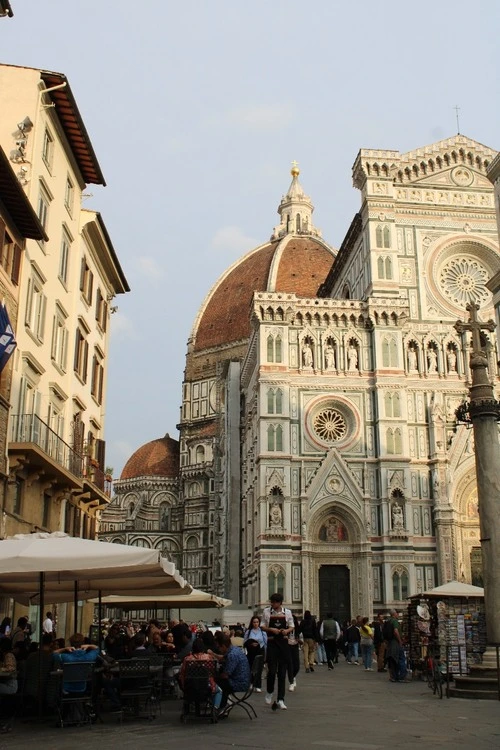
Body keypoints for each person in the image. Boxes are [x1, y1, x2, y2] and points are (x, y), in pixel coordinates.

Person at [261, 593, 294, 710]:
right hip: (272, 643)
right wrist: (271, 629)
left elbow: (291, 626)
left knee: (281, 673)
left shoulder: (287, 612)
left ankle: (281, 699)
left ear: (280, 603)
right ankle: (269, 691)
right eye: (272, 602)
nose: (272, 604)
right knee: (271, 671)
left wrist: (286, 631)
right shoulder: (266, 612)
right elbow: (262, 626)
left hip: (283, 644)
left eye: (274, 602)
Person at [212, 633, 250, 716]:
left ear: (224, 646)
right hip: (243, 680)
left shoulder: (232, 655)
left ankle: (222, 706)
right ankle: (224, 703)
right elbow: (223, 657)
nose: (218, 649)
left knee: (217, 682)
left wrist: (214, 677)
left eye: (219, 647)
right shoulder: (234, 649)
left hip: (239, 683)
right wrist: (213, 654)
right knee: (219, 680)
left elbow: (226, 675)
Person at [243, 615, 267, 692]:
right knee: (251, 668)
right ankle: (251, 682)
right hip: (251, 652)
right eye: (254, 622)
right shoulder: (248, 631)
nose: (256, 624)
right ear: (252, 623)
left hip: (260, 651)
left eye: (257, 622)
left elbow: (265, 643)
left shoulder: (262, 631)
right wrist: (251, 644)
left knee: (259, 669)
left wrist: (266, 655)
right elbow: (245, 642)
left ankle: (258, 685)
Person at [384, 610, 405, 682]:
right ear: (394, 614)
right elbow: (396, 631)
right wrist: (400, 641)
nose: (398, 614)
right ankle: (401, 676)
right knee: (400, 659)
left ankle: (392, 676)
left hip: (389, 642)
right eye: (397, 613)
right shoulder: (395, 621)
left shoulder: (387, 621)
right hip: (395, 642)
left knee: (391, 659)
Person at [287, 615, 300, 692]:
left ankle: (293, 676)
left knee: (297, 666)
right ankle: (291, 682)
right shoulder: (286, 628)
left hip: (295, 646)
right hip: (287, 647)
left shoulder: (297, 630)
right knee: (290, 665)